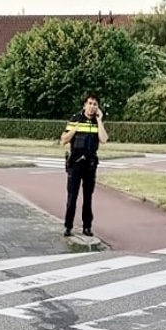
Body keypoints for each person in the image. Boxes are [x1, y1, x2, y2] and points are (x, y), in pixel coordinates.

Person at [59, 93, 108, 237]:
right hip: (76, 163)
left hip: (90, 164)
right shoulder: (75, 119)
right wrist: (74, 130)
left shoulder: (97, 122)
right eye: (90, 103)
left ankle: (87, 226)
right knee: (72, 195)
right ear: (85, 105)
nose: (92, 107)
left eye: (95, 104)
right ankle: (68, 226)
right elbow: (63, 140)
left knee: (88, 197)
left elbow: (104, 139)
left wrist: (99, 120)